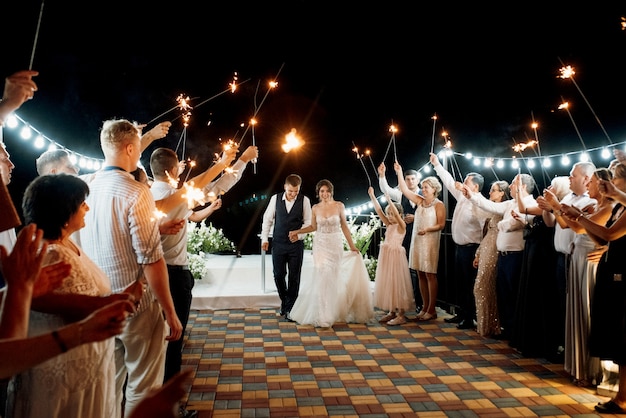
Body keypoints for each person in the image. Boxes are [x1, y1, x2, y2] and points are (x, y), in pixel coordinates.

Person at [6, 173, 142, 418]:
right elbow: (44, 302)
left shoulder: (69, 244)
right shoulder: (49, 253)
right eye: (82, 204)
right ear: (64, 211)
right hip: (62, 372)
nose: (87, 208)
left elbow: (84, 291)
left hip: (86, 364)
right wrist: (111, 302)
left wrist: (118, 296)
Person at [76, 118, 183, 417]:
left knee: (109, 382)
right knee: (143, 384)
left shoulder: (86, 187)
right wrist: (170, 312)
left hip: (100, 301)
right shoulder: (136, 192)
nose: (139, 157)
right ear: (129, 148)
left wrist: (158, 229)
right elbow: (152, 259)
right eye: (137, 150)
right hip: (135, 303)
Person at [149, 146, 237, 418]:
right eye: (177, 168)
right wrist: (227, 163)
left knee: (156, 340)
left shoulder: (148, 194)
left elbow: (197, 206)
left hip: (153, 275)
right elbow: (204, 185)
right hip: (173, 275)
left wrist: (210, 207)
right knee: (174, 342)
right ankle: (171, 407)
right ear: (171, 170)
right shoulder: (173, 196)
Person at [560, 162, 626, 414]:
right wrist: (579, 217)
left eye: (615, 180)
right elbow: (600, 237)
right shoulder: (619, 207)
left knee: (622, 336)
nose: (608, 183)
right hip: (612, 271)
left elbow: (609, 235)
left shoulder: (620, 206)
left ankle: (621, 397)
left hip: (622, 274)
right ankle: (621, 396)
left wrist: (579, 218)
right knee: (618, 337)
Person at [287, 179, 374, 328]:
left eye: (327, 191)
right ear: (318, 193)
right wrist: (298, 231)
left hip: (335, 245)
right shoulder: (315, 208)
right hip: (320, 245)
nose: (325, 194)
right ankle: (323, 315)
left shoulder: (339, 206)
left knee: (332, 279)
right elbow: (313, 227)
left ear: (331, 192)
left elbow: (345, 227)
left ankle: (333, 311)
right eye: (322, 191)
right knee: (323, 276)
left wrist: (353, 246)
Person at [462, 173, 537, 340]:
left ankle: (516, 332)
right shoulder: (510, 203)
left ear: (522, 186)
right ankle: (508, 329)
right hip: (502, 255)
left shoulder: (532, 204)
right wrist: (472, 196)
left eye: (512, 184)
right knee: (504, 294)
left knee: (513, 293)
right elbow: (491, 207)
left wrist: (504, 224)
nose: (509, 186)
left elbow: (513, 225)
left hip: (516, 256)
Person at [557, 168, 613, 386]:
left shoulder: (608, 207)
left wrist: (562, 209)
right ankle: (578, 366)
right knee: (577, 311)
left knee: (587, 312)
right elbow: (576, 226)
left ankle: (590, 371)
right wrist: (566, 211)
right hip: (579, 257)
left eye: (592, 183)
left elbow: (582, 229)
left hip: (590, 261)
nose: (589, 186)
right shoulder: (594, 206)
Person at [540, 161, 596, 361]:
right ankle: (565, 346)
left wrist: (555, 207)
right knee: (562, 305)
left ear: (587, 179)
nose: (569, 178)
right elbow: (551, 223)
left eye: (573, 175)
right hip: (560, 258)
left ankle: (575, 351)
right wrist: (548, 208)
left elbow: (570, 226)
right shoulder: (568, 197)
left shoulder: (589, 202)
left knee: (573, 306)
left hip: (577, 258)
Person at [430, 152, 488, 329]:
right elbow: (448, 181)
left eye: (467, 182)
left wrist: (479, 253)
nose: (463, 184)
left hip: (472, 248)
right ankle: (461, 314)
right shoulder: (462, 196)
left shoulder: (481, 203)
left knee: (470, 284)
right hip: (459, 247)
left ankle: (469, 318)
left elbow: (485, 230)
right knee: (460, 283)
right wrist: (437, 165)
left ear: (475, 187)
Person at [395, 162, 446, 321]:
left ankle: (432, 309)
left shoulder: (439, 205)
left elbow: (441, 224)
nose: (423, 190)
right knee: (420, 273)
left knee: (430, 274)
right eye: (423, 187)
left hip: (429, 240)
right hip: (417, 240)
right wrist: (399, 171)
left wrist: (427, 230)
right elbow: (404, 189)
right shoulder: (419, 201)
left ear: (434, 189)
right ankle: (424, 307)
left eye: (426, 188)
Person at [260, 174, 312, 319]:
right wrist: (265, 238)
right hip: (278, 243)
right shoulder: (275, 199)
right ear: (285, 187)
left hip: (296, 245)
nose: (293, 194)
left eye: (296, 191)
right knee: (278, 275)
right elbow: (267, 220)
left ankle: (290, 309)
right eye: (290, 191)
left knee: (294, 277)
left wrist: (299, 235)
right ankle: (285, 301)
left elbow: (308, 223)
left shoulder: (305, 200)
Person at [377, 162, 421, 312]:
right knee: (404, 272)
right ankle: (403, 303)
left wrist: (416, 218)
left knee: (418, 270)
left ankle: (418, 302)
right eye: (407, 179)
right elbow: (386, 190)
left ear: (418, 180)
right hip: (403, 237)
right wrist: (382, 175)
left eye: (412, 179)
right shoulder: (401, 194)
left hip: (422, 236)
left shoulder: (424, 195)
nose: (409, 182)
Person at [368, 187, 413, 326]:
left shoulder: (401, 226)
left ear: (399, 214)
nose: (389, 217)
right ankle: (392, 311)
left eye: (392, 214)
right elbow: (379, 212)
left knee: (397, 283)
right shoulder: (389, 225)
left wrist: (389, 200)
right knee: (389, 283)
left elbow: (398, 218)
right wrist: (373, 197)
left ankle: (401, 314)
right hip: (387, 258)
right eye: (389, 214)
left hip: (396, 259)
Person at [472, 180, 510, 337]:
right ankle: (487, 324)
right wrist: (479, 253)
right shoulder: (493, 211)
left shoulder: (504, 209)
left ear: (502, 192)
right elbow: (486, 232)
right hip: (487, 247)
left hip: (495, 248)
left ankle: (492, 323)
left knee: (483, 285)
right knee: (484, 287)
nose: (490, 193)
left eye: (493, 190)